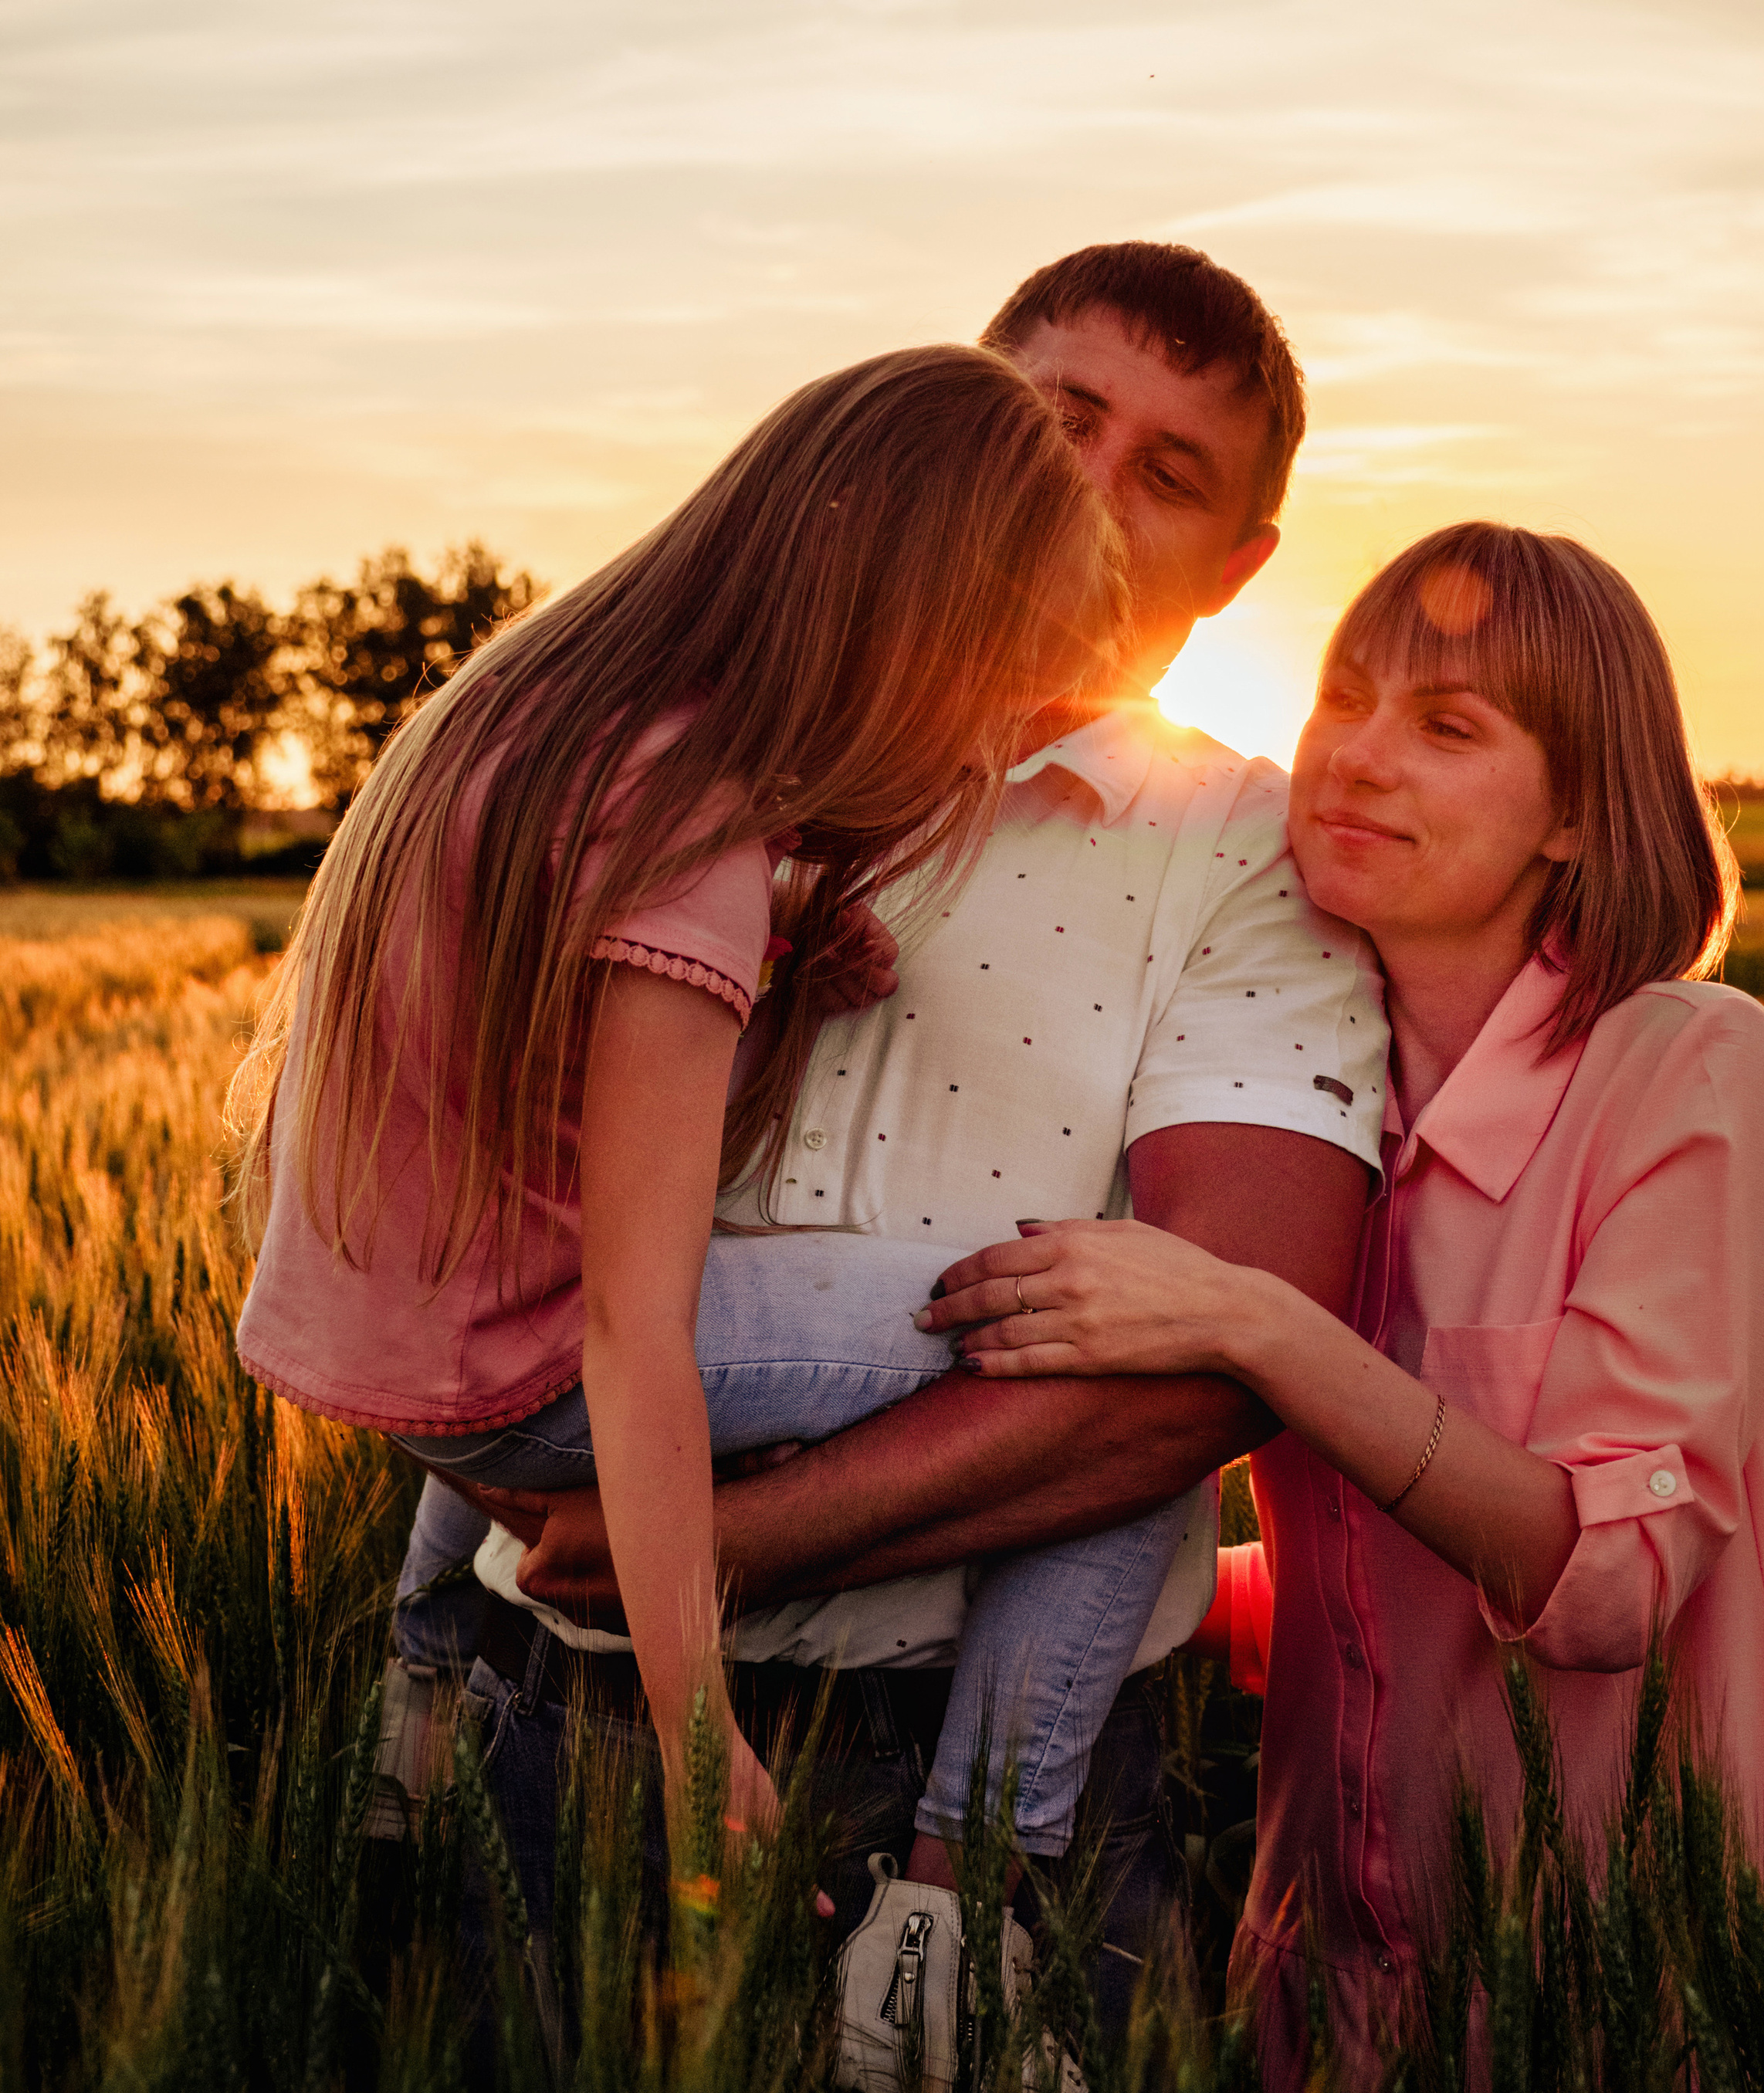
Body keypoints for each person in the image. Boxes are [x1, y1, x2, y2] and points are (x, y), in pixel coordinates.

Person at [454, 243, 1391, 2025]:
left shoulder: (1252, 858)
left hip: (1003, 1769)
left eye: (1166, 473)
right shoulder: (689, 755)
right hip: (565, 1703)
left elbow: (1223, 1359)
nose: (1086, 492)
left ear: (1238, 567)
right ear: (961, 415)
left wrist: (697, 1540)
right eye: (1057, 419)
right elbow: (440, 1167)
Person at [916, 520, 1764, 2093]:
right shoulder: (1293, 1127)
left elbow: (1608, 1580)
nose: (1357, 755)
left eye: (1445, 726)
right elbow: (1352, 1585)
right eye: (1344, 699)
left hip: (1647, 1987)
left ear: (1577, 810)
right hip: (1333, 1973)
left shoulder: (1685, 1068)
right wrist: (1039, 1545)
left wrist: (1254, 1325)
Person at [229, 343, 1127, 1853]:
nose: (989, 744)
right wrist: (698, 1739)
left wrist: (772, 932)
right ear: (897, 621)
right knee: (1108, 1357)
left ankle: (420, 1689)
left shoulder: (536, 705)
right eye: (992, 686)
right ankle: (971, 1885)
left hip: (378, 1336)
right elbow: (633, 1335)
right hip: (521, 1389)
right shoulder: (691, 849)